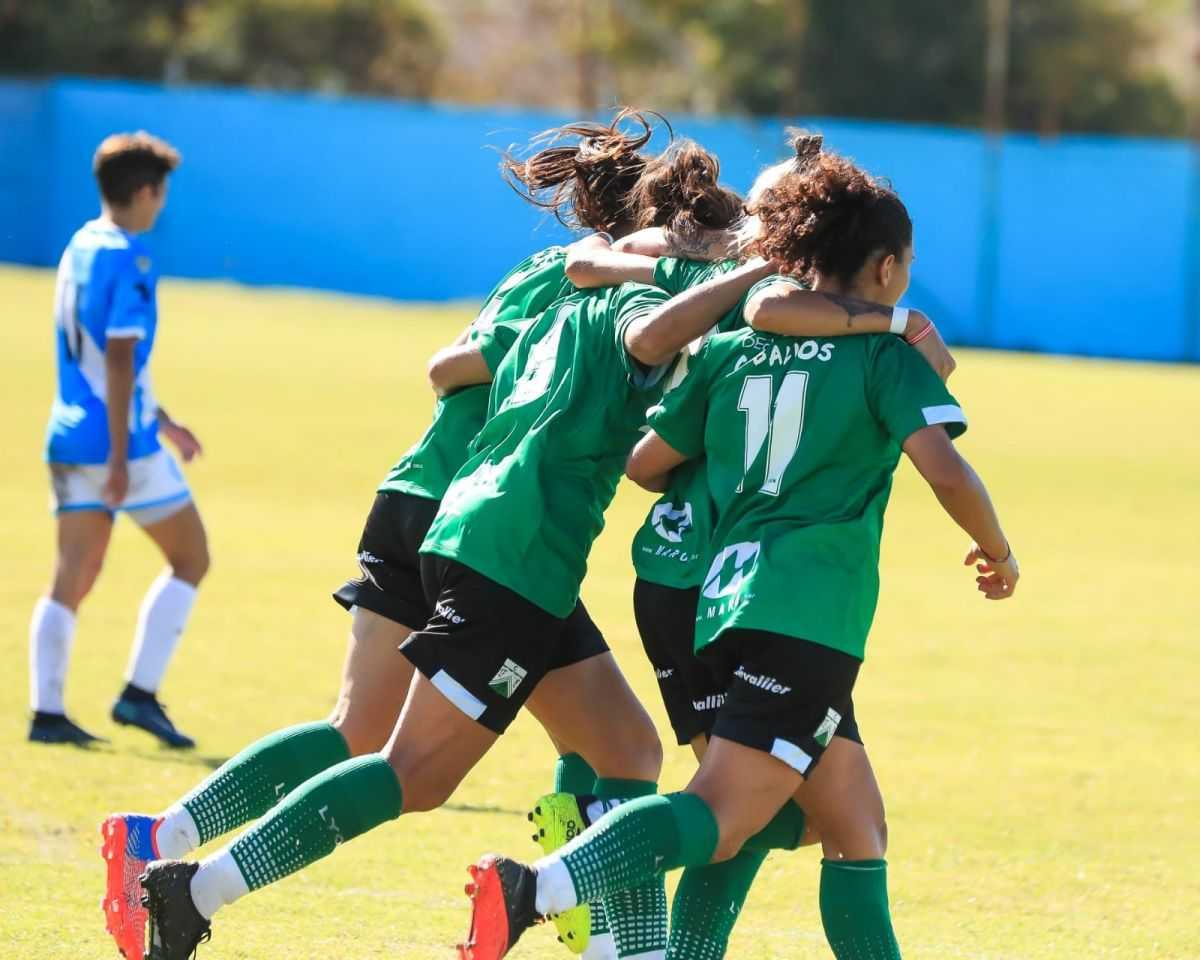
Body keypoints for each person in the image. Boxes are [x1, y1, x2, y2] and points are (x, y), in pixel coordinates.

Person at [128, 143, 766, 959]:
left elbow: (526, 324)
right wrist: (747, 274)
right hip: (514, 554)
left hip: (491, 533)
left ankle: (626, 953)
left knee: (626, 748)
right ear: (696, 241)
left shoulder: (592, 275)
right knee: (413, 772)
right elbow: (646, 342)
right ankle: (198, 887)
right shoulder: (657, 292)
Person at [459, 137, 1018, 960]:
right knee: (725, 815)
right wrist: (997, 548)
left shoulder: (728, 350)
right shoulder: (884, 356)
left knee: (850, 823)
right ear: (889, 267)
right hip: (807, 611)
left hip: (717, 601)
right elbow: (945, 469)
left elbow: (647, 464)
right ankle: (535, 889)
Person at [30, 131, 208, 750]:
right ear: (144, 190)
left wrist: (165, 419)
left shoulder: (80, 244)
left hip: (67, 434)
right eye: (161, 193)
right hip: (118, 447)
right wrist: (121, 452)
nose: (162, 204)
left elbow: (99, 361)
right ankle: (138, 695)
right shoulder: (130, 256)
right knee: (192, 558)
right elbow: (119, 359)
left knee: (71, 576)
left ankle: (46, 713)